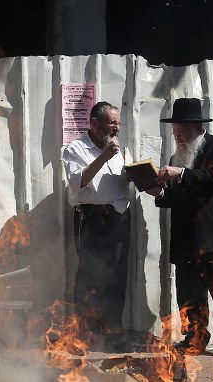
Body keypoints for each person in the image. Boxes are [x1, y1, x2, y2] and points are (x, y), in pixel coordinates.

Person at [150, 98, 213, 360]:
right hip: (187, 240)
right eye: (175, 131)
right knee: (189, 296)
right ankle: (194, 338)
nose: (178, 136)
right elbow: (176, 197)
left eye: (183, 131)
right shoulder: (175, 157)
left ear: (198, 127)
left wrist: (180, 173)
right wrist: (158, 192)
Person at [61, 101, 135, 341]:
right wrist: (103, 158)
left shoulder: (117, 148)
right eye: (112, 122)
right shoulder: (75, 148)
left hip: (119, 218)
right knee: (90, 273)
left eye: (118, 124)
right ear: (94, 123)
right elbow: (78, 182)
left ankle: (112, 329)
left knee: (117, 275)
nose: (116, 128)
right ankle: (83, 331)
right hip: (92, 219)